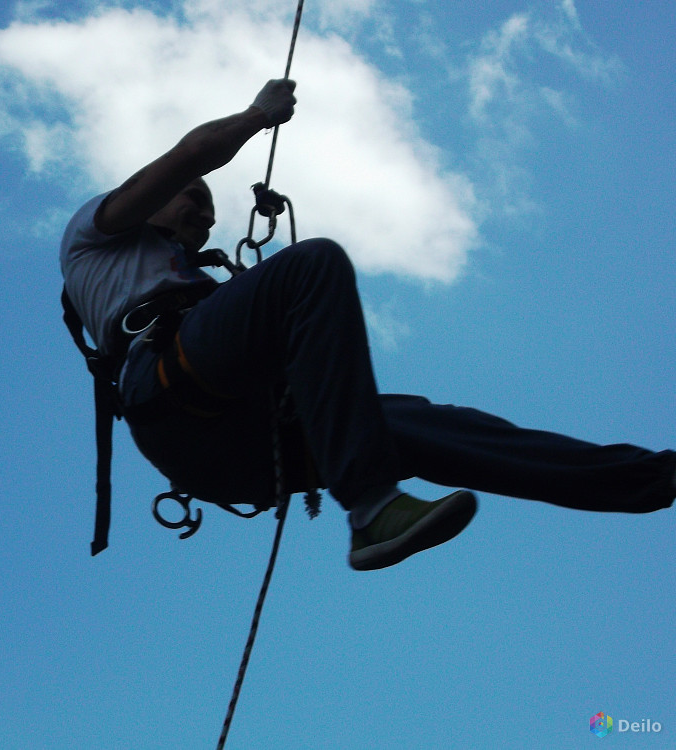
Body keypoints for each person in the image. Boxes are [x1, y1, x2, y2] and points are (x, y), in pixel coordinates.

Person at [60, 79, 676, 570]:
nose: (198, 204)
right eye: (188, 196)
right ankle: (373, 507)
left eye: (206, 205)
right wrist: (257, 115)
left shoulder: (196, 282)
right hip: (170, 395)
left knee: (426, 425)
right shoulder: (96, 235)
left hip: (237, 446)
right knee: (313, 264)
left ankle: (652, 479)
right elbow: (191, 155)